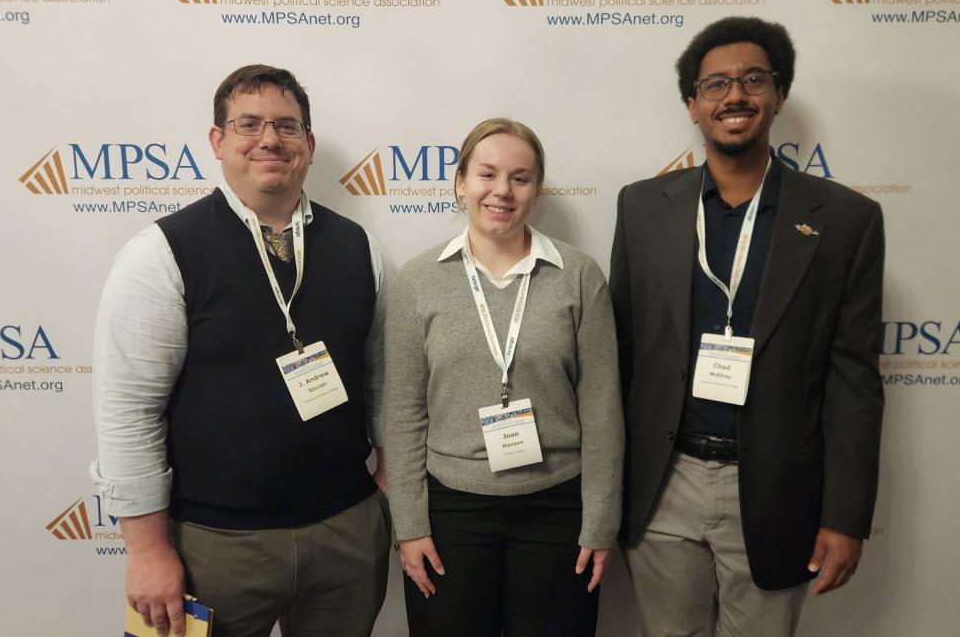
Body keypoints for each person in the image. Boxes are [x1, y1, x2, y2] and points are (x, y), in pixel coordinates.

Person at [90, 64, 391, 637]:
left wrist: (386, 489)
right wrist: (147, 551)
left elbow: (383, 380)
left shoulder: (360, 248)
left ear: (309, 143)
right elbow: (128, 411)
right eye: (248, 124)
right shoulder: (161, 254)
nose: (269, 139)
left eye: (287, 125)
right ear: (218, 140)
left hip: (348, 534)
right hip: (213, 546)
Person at [610, 16, 885, 636]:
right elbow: (619, 355)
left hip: (775, 489)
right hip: (663, 485)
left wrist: (846, 517)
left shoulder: (845, 220)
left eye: (752, 80)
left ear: (778, 94)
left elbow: (854, 381)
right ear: (692, 105)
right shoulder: (642, 207)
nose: (734, 95)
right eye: (715, 85)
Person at [384, 118, 623, 637]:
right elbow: (402, 413)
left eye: (520, 177)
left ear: (536, 191)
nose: (501, 190)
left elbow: (602, 409)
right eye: (486, 174)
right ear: (460, 182)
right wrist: (409, 526)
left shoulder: (579, 277)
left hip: (558, 509)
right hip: (451, 512)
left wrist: (601, 522)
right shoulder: (419, 280)